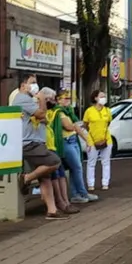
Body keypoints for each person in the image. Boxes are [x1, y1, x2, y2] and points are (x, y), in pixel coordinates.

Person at [12, 73, 69, 220]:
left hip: (38, 141)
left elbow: (45, 119)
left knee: (45, 177)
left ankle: (52, 210)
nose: (35, 86)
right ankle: (26, 178)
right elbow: (42, 114)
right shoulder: (22, 99)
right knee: (54, 161)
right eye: (32, 82)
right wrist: (42, 100)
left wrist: (41, 110)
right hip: (29, 143)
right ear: (23, 85)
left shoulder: (31, 100)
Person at [57, 89, 98, 204]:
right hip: (66, 141)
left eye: (69, 98)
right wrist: (75, 126)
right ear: (58, 100)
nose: (68, 100)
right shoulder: (59, 112)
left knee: (75, 168)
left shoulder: (69, 111)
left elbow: (75, 126)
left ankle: (76, 194)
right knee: (77, 167)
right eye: (66, 98)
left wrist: (87, 140)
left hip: (73, 140)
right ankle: (82, 192)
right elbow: (69, 126)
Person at [43, 87, 80, 215]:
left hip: (53, 145)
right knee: (56, 173)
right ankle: (61, 202)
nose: (53, 101)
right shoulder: (48, 112)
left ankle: (65, 201)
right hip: (46, 146)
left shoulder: (54, 111)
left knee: (61, 172)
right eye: (51, 98)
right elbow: (68, 126)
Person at [82, 89, 113, 191]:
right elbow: (85, 124)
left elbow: (108, 123)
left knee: (106, 162)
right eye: (101, 96)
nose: (103, 98)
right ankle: (91, 184)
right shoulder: (89, 111)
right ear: (95, 98)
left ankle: (105, 183)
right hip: (92, 139)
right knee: (91, 162)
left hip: (106, 139)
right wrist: (90, 137)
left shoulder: (107, 111)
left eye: (104, 96)